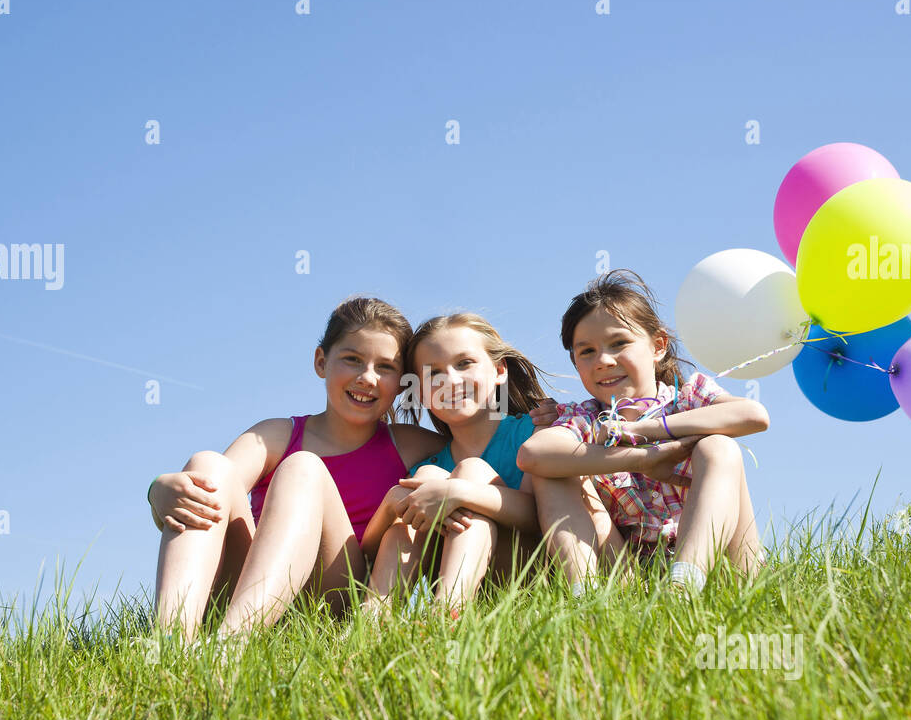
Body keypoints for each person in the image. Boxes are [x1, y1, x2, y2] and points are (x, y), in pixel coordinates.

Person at [148, 297, 445, 642]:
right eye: (352, 359)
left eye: (385, 367)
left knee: (303, 468)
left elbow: (481, 462)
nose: (367, 377)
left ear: (402, 382)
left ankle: (232, 644)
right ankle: (170, 642)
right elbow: (215, 490)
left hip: (334, 601)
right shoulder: (277, 434)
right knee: (207, 463)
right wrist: (157, 492)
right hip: (254, 586)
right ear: (321, 361)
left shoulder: (411, 445)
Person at [516, 270, 770, 595]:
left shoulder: (689, 397)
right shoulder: (586, 419)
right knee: (552, 471)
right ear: (575, 363)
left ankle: (685, 583)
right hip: (626, 576)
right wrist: (642, 459)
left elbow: (754, 415)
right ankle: (586, 595)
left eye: (619, 343)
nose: (604, 360)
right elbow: (532, 455)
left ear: (658, 346)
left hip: (722, 568)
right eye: (587, 351)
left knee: (719, 447)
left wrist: (643, 429)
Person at [366, 313, 549, 615]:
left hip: (531, 573)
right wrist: (390, 505)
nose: (451, 380)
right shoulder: (432, 465)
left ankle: (448, 612)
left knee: (470, 471)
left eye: (464, 364)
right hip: (477, 587)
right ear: (421, 392)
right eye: (433, 373)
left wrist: (462, 493)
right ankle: (373, 620)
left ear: (499, 370)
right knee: (426, 480)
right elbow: (372, 553)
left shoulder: (533, 432)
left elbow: (542, 518)